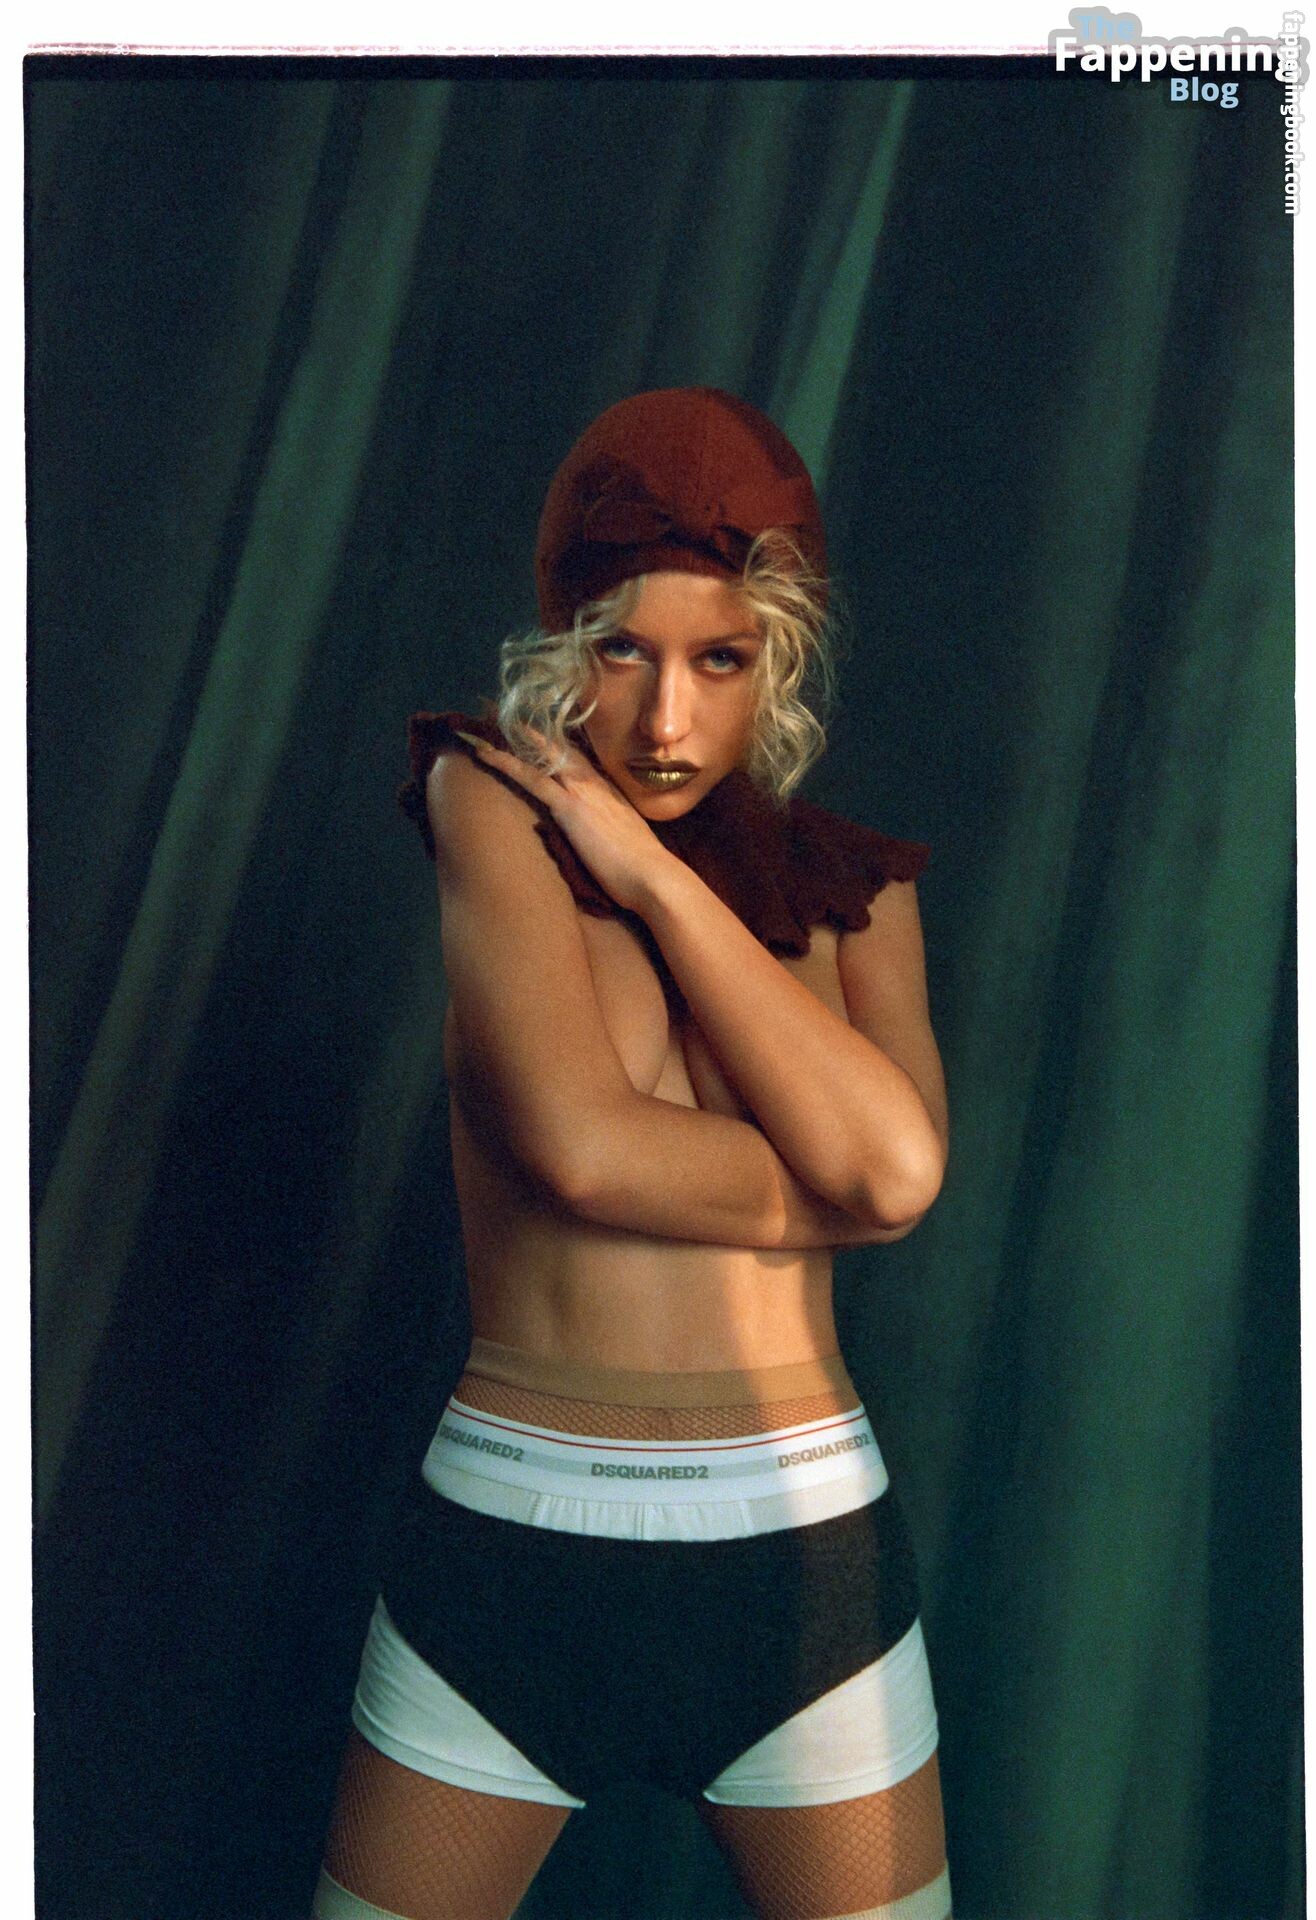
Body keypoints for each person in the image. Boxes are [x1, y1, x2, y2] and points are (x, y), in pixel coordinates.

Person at [312, 387, 952, 1920]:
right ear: (563, 640)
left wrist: (659, 887)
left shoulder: (860, 894)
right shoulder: (495, 799)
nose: (667, 722)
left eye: (720, 660)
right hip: (510, 1569)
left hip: (808, 1581)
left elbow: (902, 1176)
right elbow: (586, 1153)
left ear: (777, 658)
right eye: (623, 651)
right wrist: (842, 1195)